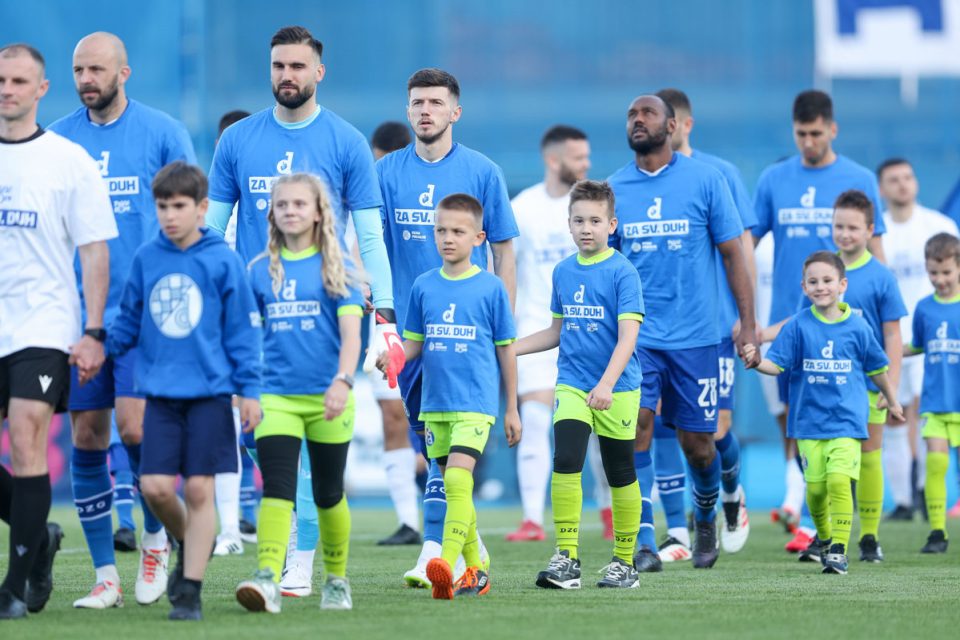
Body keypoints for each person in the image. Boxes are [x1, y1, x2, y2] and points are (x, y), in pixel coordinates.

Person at [48, 31, 196, 607]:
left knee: (135, 429)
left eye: (97, 69)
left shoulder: (162, 132)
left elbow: (187, 214)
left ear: (124, 73)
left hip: (146, 315)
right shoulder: (57, 141)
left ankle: (156, 542)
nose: (87, 79)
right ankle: (106, 574)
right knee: (87, 434)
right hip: (79, 316)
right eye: (79, 69)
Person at [375, 68, 518, 587]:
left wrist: (500, 317)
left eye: (436, 102)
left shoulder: (483, 171)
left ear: (455, 111)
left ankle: (434, 551)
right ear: (408, 109)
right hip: (411, 340)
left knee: (451, 460)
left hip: (468, 340)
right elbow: (366, 238)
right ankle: (473, 556)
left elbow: (504, 248)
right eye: (417, 102)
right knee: (432, 453)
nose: (425, 111)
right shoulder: (386, 172)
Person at [105, 161, 262, 620]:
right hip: (160, 396)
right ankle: (191, 538)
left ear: (202, 208)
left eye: (179, 206)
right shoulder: (147, 257)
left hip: (211, 396)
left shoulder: (222, 259)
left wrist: (248, 389)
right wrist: (100, 348)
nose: (170, 216)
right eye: (162, 207)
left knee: (198, 490)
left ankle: (189, 590)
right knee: (154, 487)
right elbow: (129, 319)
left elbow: (242, 333)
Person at [608, 94, 758, 571]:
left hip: (697, 339)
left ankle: (708, 517)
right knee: (636, 431)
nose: (637, 120)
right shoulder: (613, 188)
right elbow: (604, 265)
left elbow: (735, 255)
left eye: (647, 114)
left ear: (671, 126)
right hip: (638, 340)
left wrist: (748, 323)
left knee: (700, 444)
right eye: (632, 114)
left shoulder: (706, 180)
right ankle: (644, 541)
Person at [206, 25, 400, 383]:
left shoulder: (347, 142)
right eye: (278, 66)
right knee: (258, 433)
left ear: (319, 72)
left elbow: (372, 238)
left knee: (320, 424)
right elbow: (212, 231)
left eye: (297, 66)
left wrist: (385, 323)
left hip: (324, 311)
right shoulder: (235, 140)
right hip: (254, 310)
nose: (286, 75)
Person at [0, 42, 115, 620]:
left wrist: (93, 330)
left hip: (42, 324)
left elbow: (95, 251)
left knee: (26, 437)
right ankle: (38, 537)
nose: (7, 89)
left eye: (19, 81)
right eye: (0, 79)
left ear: (41, 89)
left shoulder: (68, 160)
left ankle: (16, 584)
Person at [753, 89, 888, 553]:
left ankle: (834, 531)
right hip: (787, 326)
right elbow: (745, 248)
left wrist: (873, 316)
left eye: (816, 133)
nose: (808, 141)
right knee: (794, 419)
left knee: (848, 429)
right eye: (801, 134)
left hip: (846, 332)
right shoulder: (773, 179)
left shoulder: (859, 178)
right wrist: (744, 315)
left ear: (832, 129)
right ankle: (812, 514)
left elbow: (877, 256)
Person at [235, 173, 363, 612]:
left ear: (318, 212)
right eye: (283, 204)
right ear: (272, 213)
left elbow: (351, 336)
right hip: (275, 397)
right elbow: (247, 341)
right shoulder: (256, 272)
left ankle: (336, 581)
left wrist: (342, 381)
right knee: (278, 488)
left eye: (299, 204)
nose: (291, 211)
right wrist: (245, 391)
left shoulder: (339, 269)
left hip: (329, 398)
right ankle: (267, 576)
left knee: (328, 493)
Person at [765, 190, 907, 562]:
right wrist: (762, 335)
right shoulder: (821, 271)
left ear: (870, 230)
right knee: (825, 470)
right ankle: (824, 535)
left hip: (865, 385)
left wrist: (889, 384)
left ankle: (869, 538)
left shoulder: (880, 276)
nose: (844, 234)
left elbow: (892, 334)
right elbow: (798, 323)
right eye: (838, 226)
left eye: (852, 227)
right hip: (823, 390)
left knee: (869, 456)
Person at [517, 180, 644, 589]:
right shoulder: (563, 271)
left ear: (612, 224)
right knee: (566, 458)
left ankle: (625, 562)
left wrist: (606, 384)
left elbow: (628, 338)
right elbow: (557, 331)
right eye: (578, 220)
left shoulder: (623, 272)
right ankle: (566, 558)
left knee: (618, 472)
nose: (586, 228)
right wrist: (510, 350)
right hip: (572, 383)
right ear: (568, 225)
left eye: (594, 220)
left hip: (618, 388)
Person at [653, 88, 756, 558]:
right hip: (656, 333)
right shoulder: (638, 180)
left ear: (682, 124)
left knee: (711, 432)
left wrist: (745, 319)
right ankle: (678, 528)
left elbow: (741, 250)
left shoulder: (719, 175)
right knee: (655, 426)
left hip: (713, 328)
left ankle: (730, 493)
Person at [506, 124, 590, 542]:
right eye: (578, 157)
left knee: (597, 424)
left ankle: (611, 510)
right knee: (537, 422)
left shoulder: (593, 209)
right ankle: (532, 519)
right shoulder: (523, 209)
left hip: (589, 338)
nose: (586, 164)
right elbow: (505, 270)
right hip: (537, 332)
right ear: (553, 160)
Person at [878, 159, 959, 521]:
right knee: (894, 415)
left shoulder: (939, 225)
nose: (902, 185)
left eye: (908, 177)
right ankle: (903, 500)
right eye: (893, 180)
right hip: (895, 338)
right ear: (882, 188)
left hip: (935, 338)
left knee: (931, 414)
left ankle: (927, 494)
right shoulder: (879, 232)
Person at [369, 120, 421, 547]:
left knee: (430, 420)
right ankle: (410, 520)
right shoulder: (368, 188)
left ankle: (443, 502)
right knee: (392, 416)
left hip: (428, 319)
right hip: (381, 320)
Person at [213, 109, 261, 550]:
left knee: (257, 430)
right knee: (224, 425)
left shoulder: (267, 211)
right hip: (221, 327)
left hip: (266, 324)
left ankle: (283, 518)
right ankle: (229, 529)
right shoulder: (207, 210)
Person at [905, 232, 960, 553]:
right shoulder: (924, 308)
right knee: (936, 465)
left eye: (946, 272)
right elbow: (917, 345)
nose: (939, 279)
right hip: (937, 402)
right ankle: (938, 532)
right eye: (933, 273)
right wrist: (891, 353)